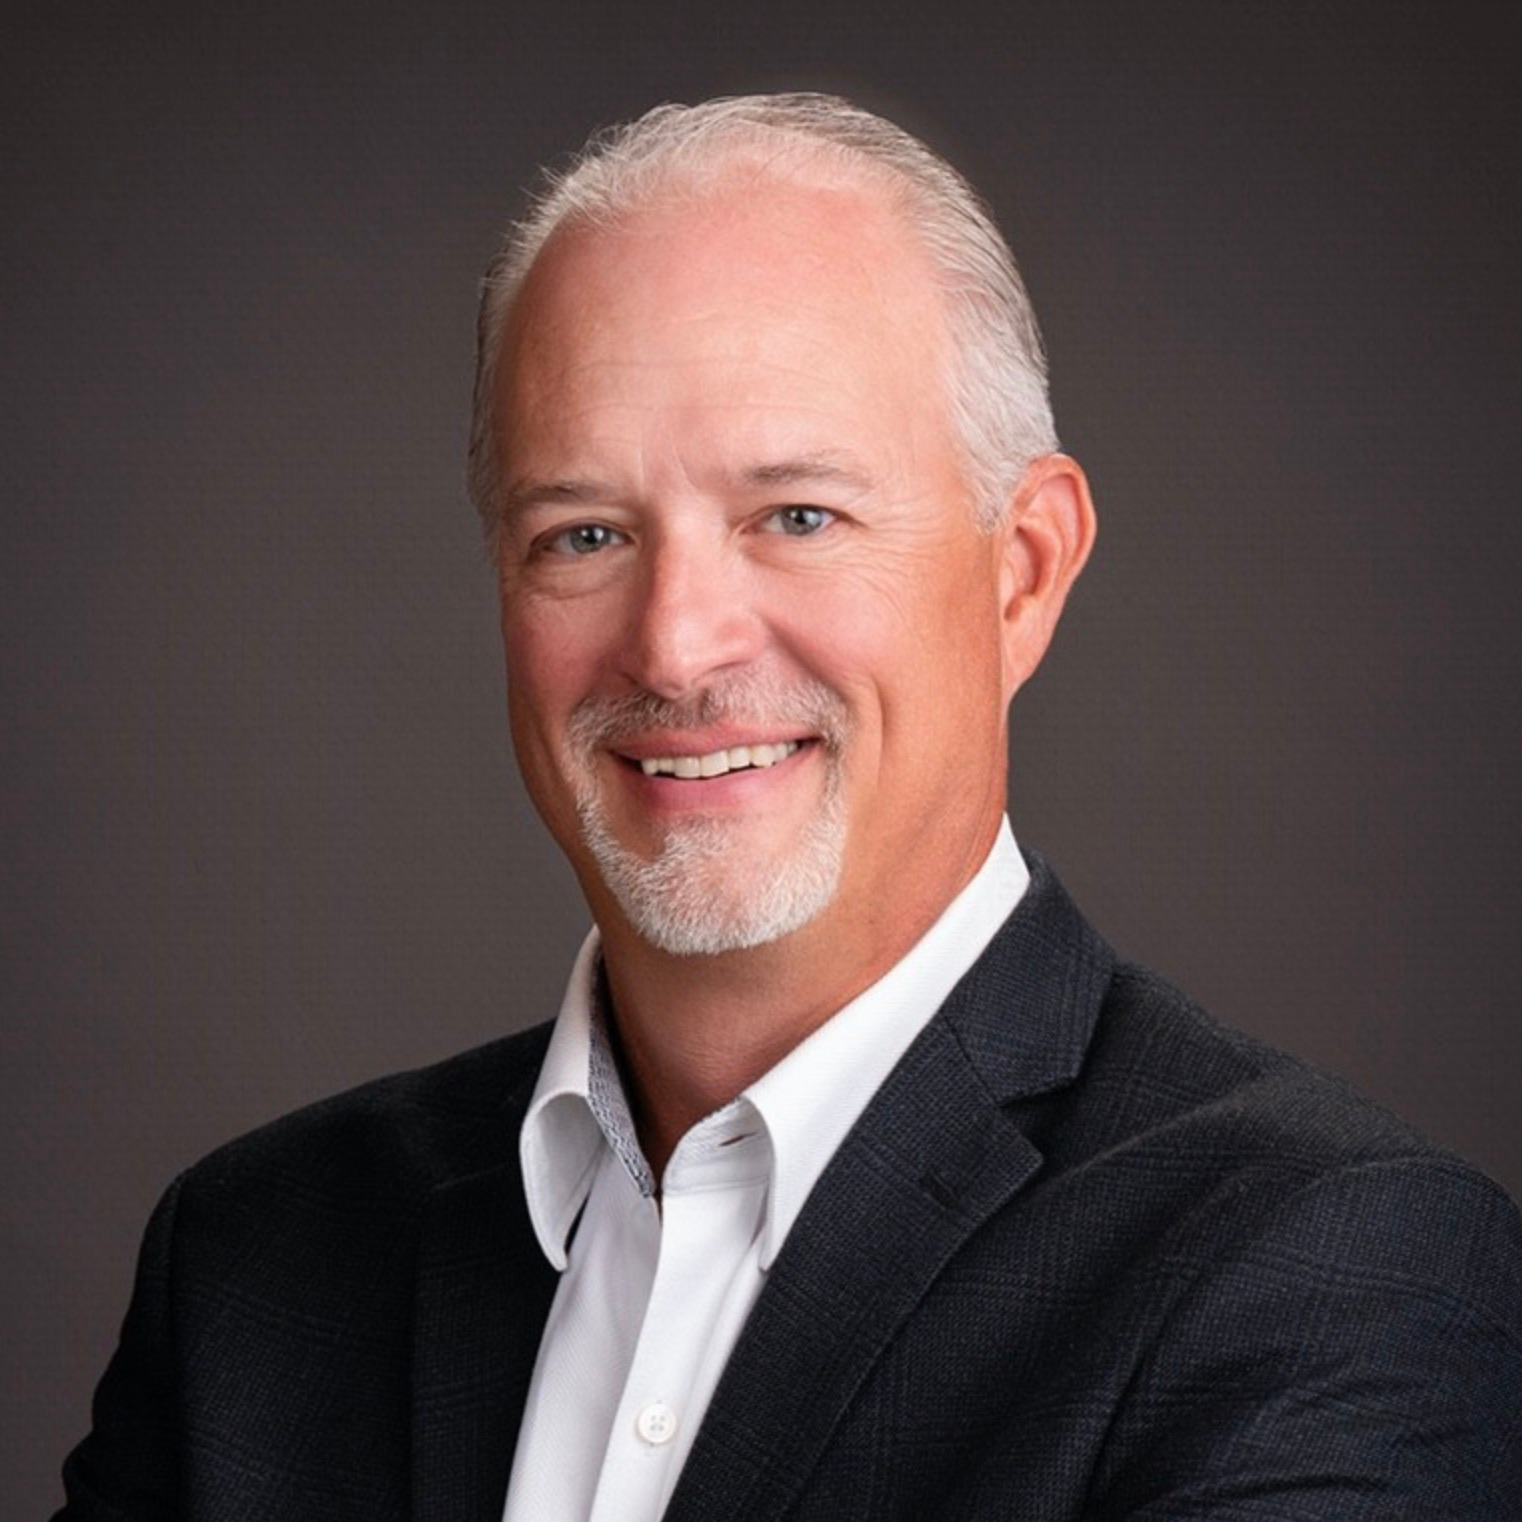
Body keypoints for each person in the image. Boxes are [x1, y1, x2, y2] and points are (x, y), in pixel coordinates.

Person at [57, 94, 1522, 1521]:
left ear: (1021, 570)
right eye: (584, 533)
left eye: (797, 516)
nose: (676, 643)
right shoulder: (256, 1260)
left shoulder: (1325, 1266)